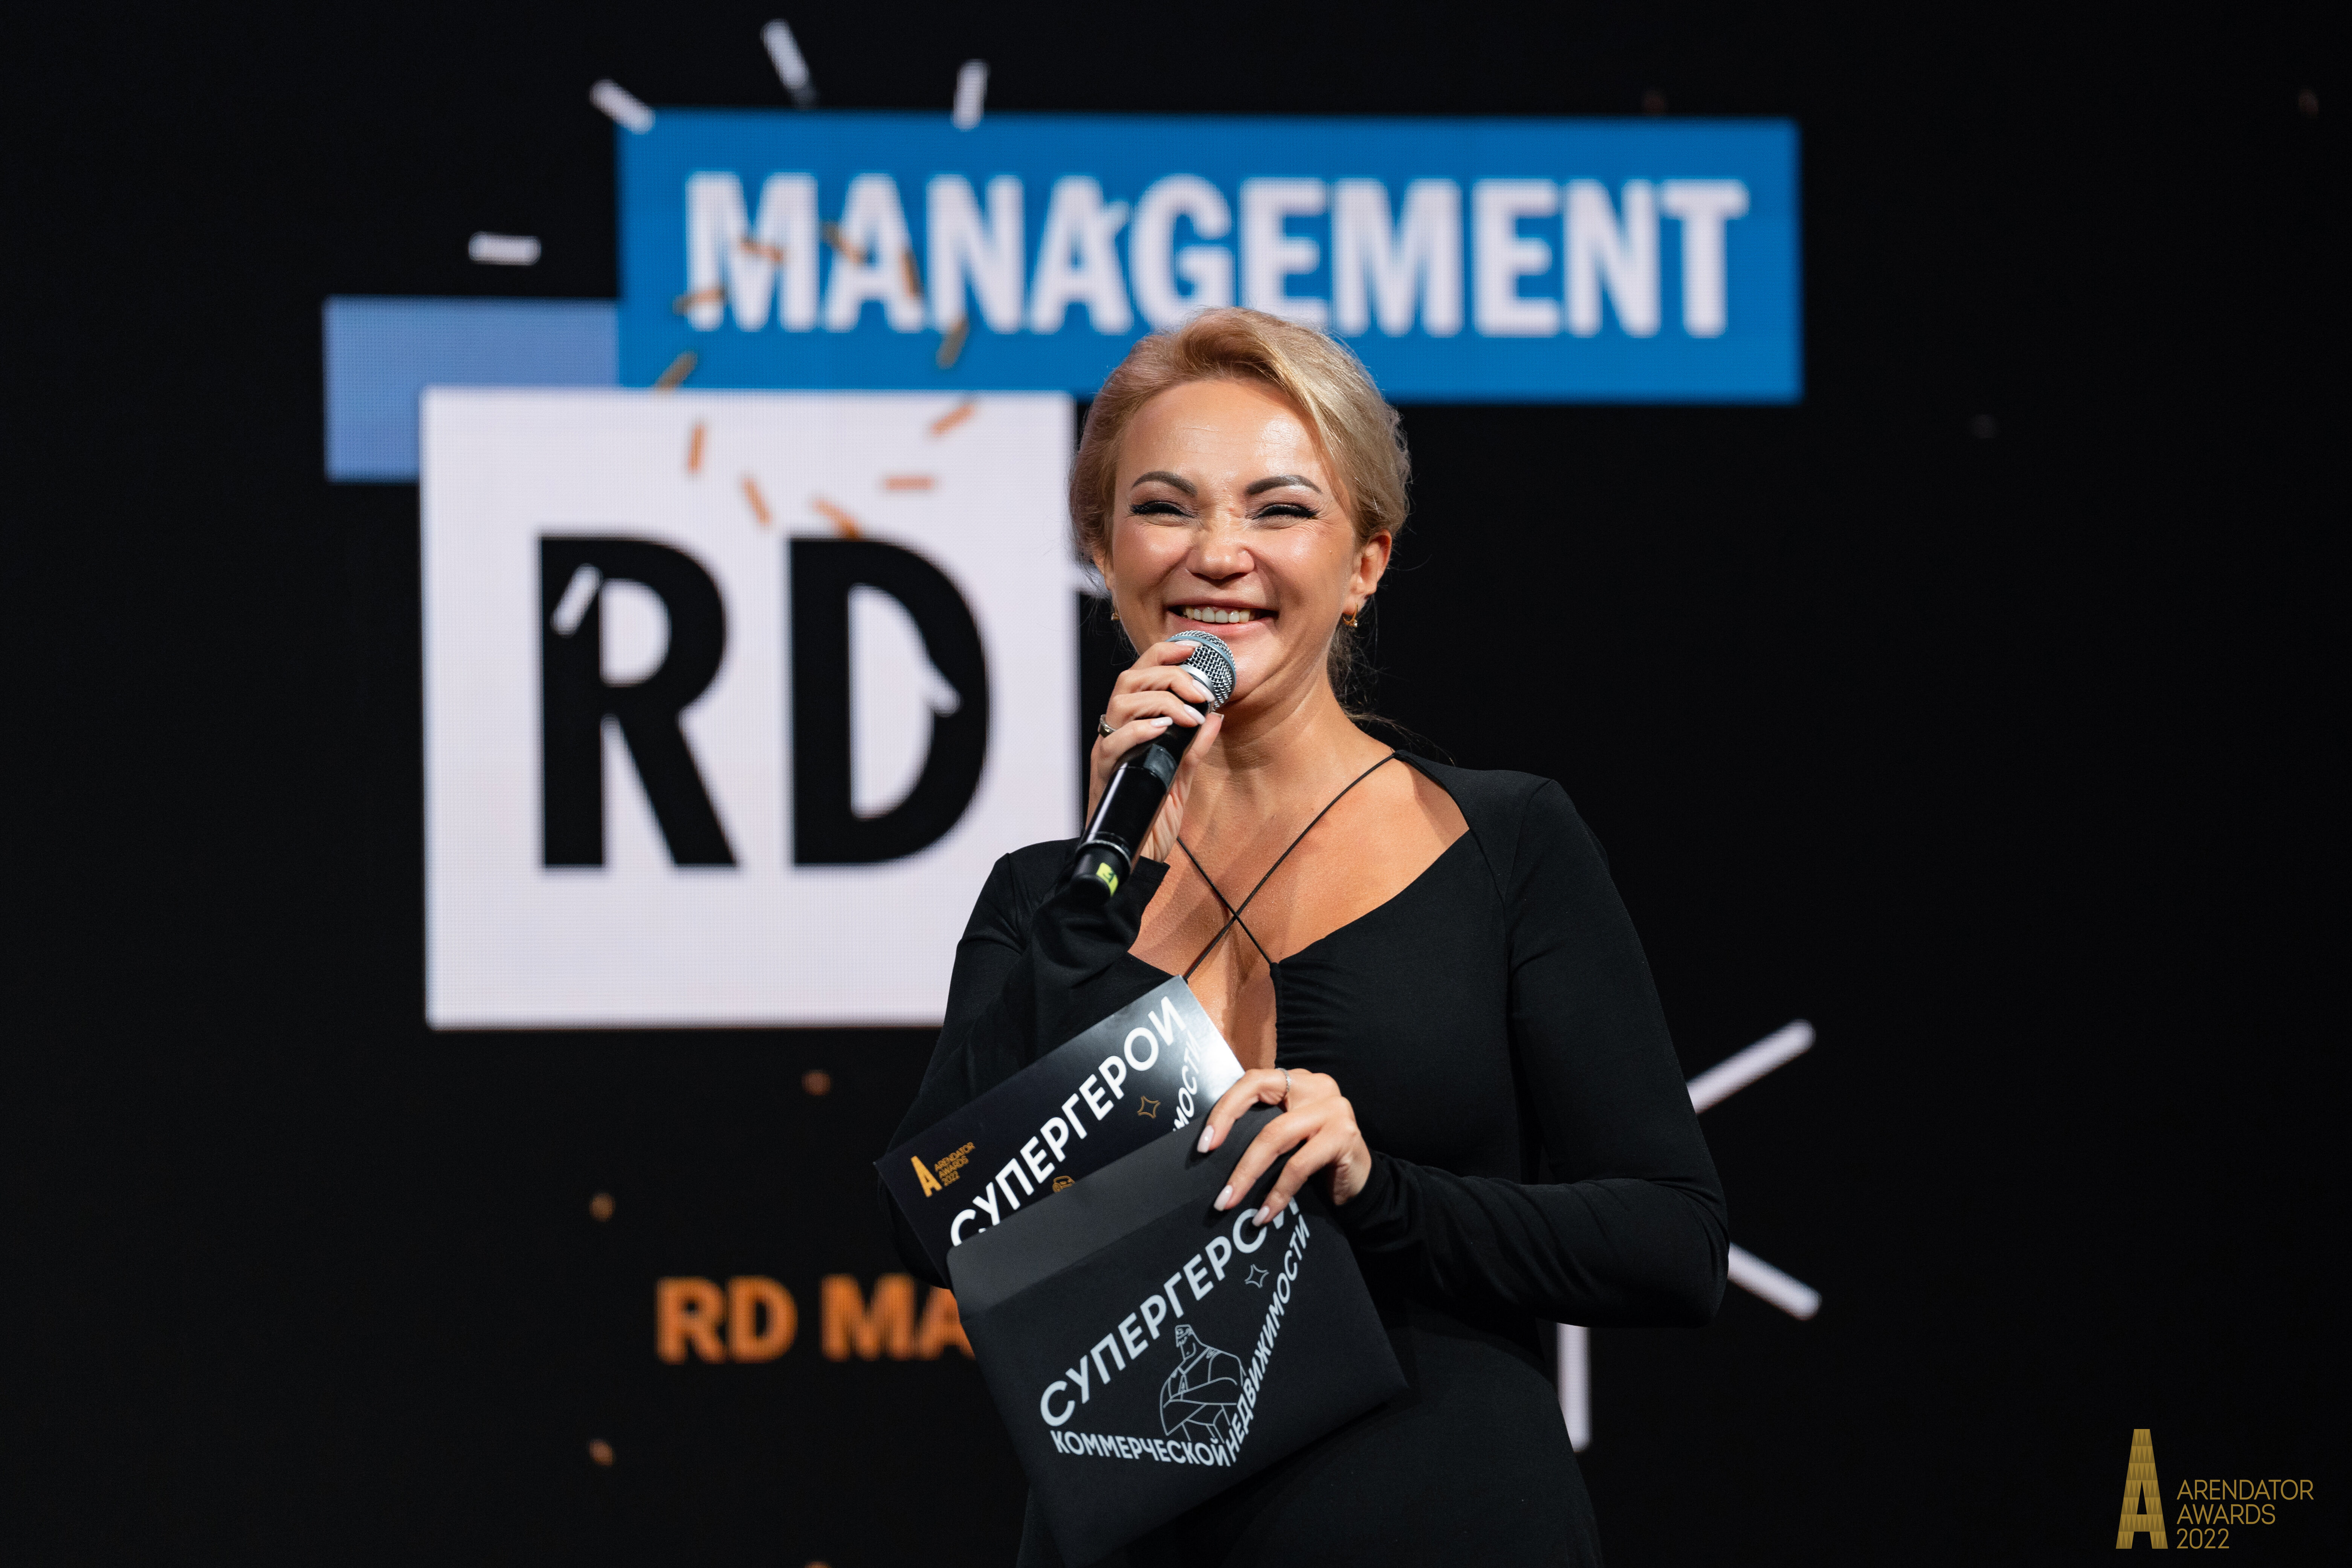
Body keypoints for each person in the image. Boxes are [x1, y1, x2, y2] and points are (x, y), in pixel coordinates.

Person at [883, 307, 1726, 1566]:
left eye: (1278, 509)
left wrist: (1377, 1189)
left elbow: (1671, 1244)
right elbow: (938, 1236)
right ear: (1103, 552)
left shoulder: (1504, 840)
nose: (1218, 554)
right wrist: (1105, 881)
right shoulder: (1044, 901)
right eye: (1163, 508)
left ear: (1366, 561)